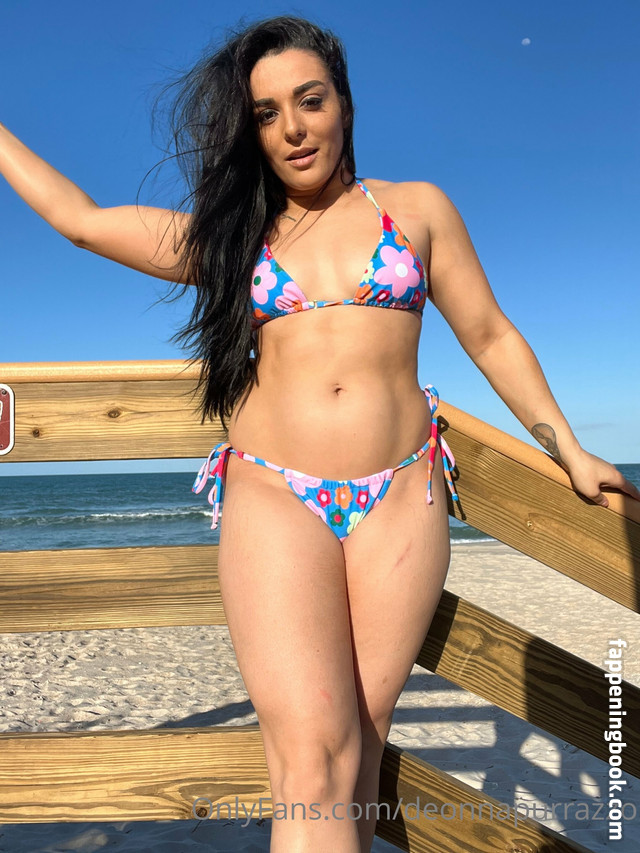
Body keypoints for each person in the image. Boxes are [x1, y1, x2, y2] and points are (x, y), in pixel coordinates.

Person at [2, 14, 638, 853]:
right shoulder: (235, 237)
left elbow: (490, 335)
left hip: (401, 492)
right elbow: (79, 219)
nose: (294, 128)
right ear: (251, 131)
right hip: (278, 491)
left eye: (310, 100)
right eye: (267, 113)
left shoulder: (418, 210)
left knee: (360, 748)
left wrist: (567, 446)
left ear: (344, 103)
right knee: (314, 758)